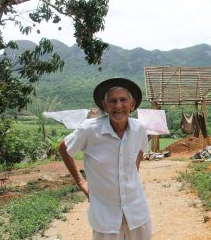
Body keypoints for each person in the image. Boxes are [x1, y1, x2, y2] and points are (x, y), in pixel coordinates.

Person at [58, 78, 152, 240]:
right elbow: (64, 148)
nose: (118, 106)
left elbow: (140, 152)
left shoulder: (140, 129)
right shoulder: (90, 129)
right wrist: (82, 183)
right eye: (112, 101)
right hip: (105, 216)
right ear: (104, 105)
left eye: (123, 100)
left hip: (137, 211)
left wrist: (132, 173)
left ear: (132, 104)